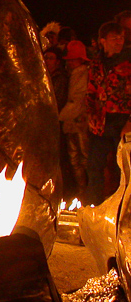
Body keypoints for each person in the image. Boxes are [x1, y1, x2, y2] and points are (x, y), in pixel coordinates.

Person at [86, 22, 131, 204]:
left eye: (121, 37)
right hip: (100, 124)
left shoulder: (128, 61)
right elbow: (91, 90)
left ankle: (124, 210)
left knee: (124, 169)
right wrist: (90, 116)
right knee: (94, 167)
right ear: (103, 41)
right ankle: (93, 206)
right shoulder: (97, 63)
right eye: (114, 38)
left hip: (123, 122)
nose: (118, 42)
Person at [58, 40, 90, 197]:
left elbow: (77, 101)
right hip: (73, 123)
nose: (70, 62)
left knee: (81, 159)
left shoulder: (82, 74)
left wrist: (59, 117)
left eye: (73, 59)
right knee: (76, 159)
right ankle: (81, 192)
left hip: (79, 123)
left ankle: (84, 193)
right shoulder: (75, 74)